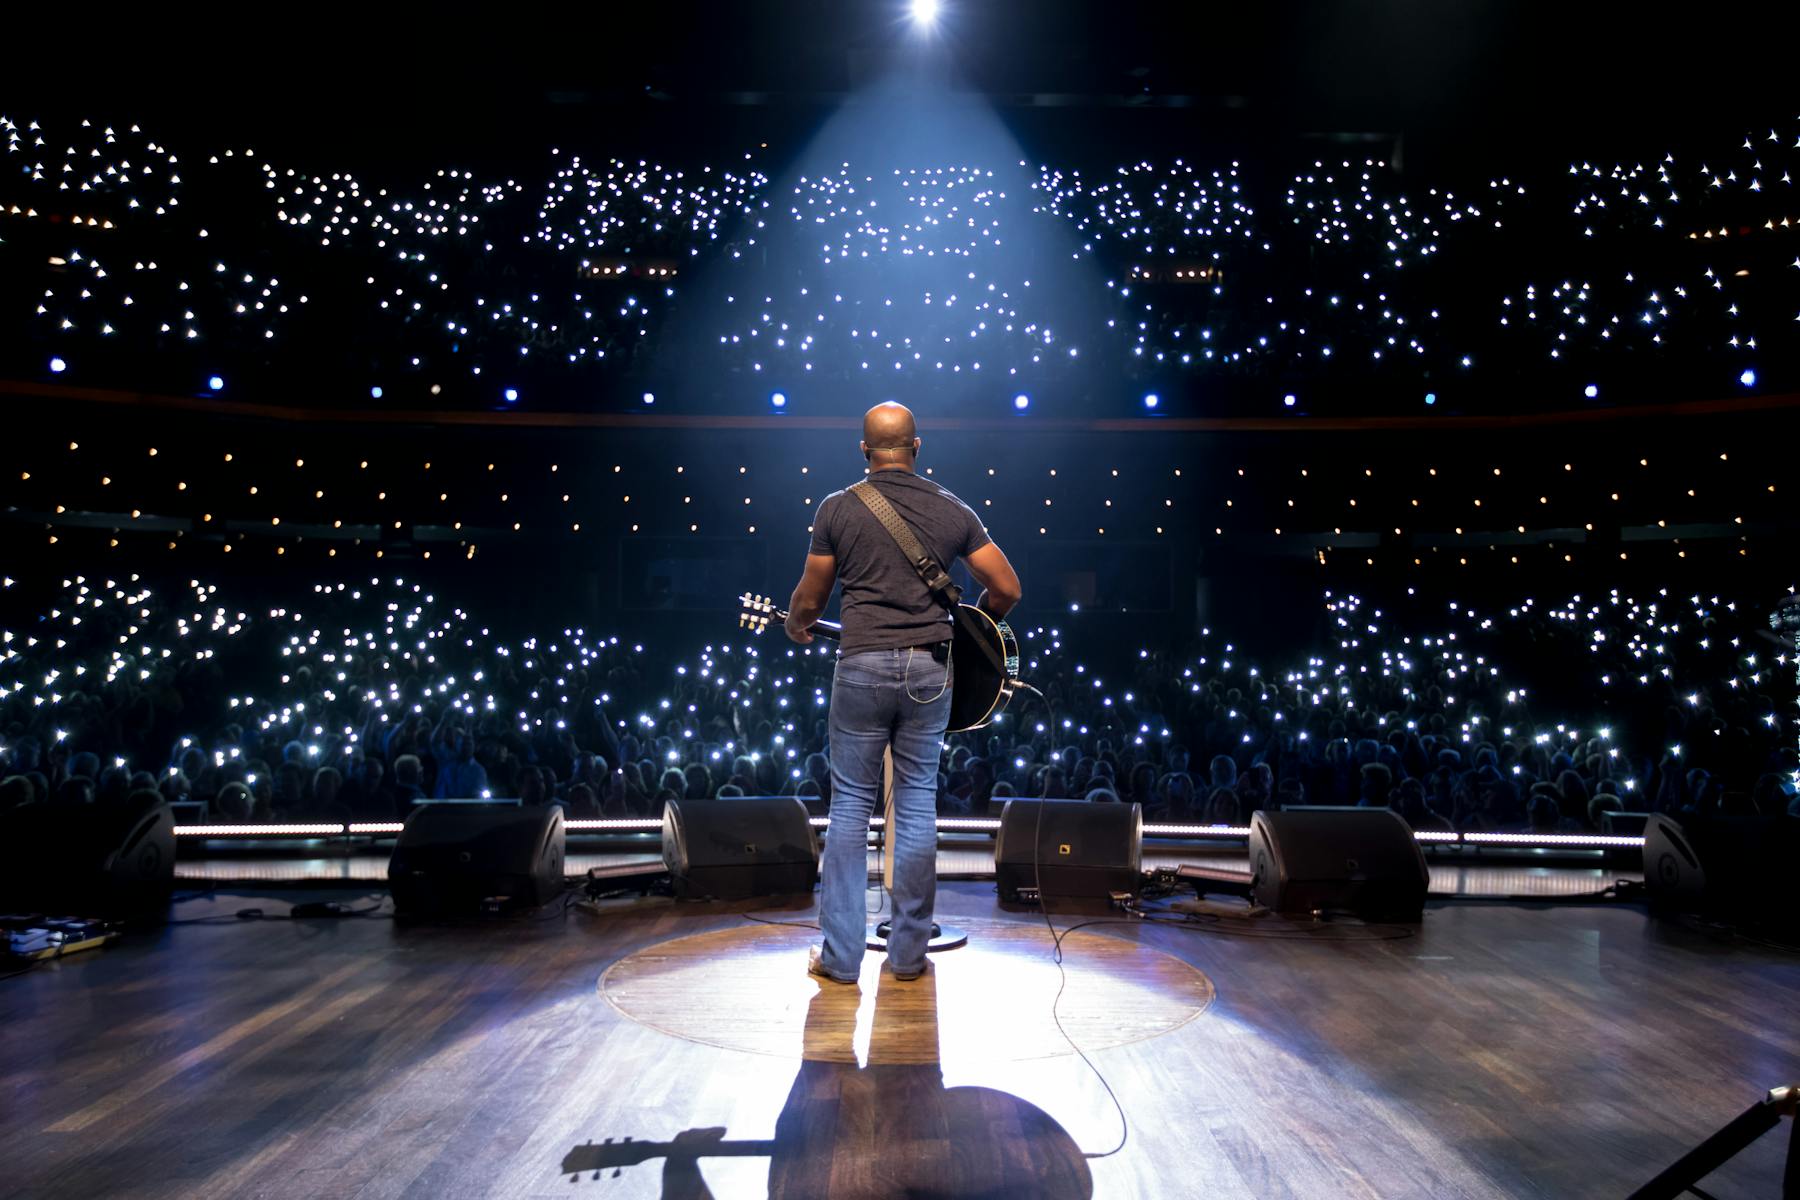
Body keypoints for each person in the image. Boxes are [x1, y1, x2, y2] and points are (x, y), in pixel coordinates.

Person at [786, 401, 1021, 984]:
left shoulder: (837, 508)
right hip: (929, 674)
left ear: (863, 451)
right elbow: (1007, 587)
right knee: (915, 808)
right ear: (917, 448)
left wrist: (796, 625)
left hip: (861, 667)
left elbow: (811, 600)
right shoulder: (951, 509)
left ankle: (840, 961)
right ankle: (909, 956)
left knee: (848, 812)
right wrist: (975, 627)